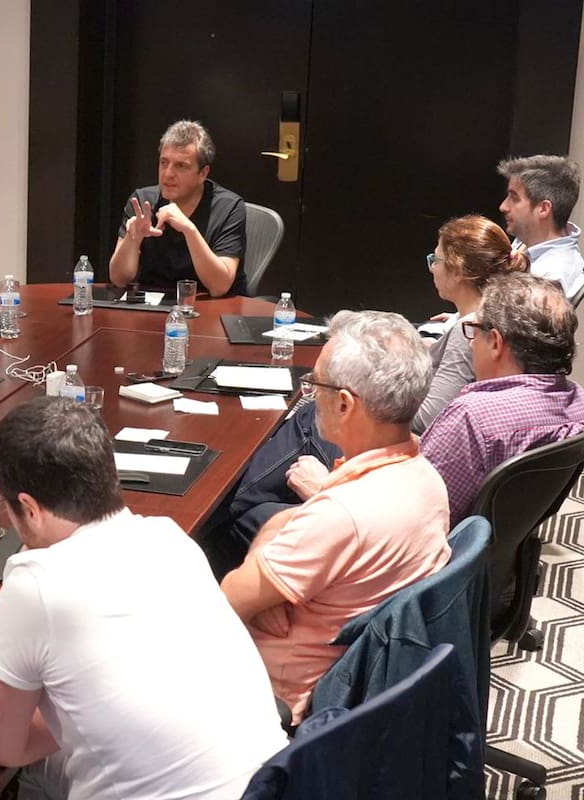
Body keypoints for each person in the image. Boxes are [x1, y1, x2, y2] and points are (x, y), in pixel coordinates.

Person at [0, 396, 287, 800]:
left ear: (29, 508)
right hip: (273, 786)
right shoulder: (169, 538)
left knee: (21, 776)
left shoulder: (38, 585)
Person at [225, 215, 527, 545]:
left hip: (397, 450)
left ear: (458, 271)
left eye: (436, 260)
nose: (431, 268)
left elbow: (426, 416)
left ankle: (231, 504)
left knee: (310, 417)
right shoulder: (481, 318)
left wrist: (376, 395)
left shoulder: (467, 331)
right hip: (407, 467)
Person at [221, 310, 451, 723]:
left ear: (344, 403)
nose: (310, 394)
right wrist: (270, 565)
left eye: (316, 384)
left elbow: (228, 603)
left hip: (272, 692)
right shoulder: (428, 479)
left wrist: (259, 576)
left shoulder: (339, 515)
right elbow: (285, 526)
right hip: (356, 678)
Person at [423, 273, 584, 524]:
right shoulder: (579, 401)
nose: (470, 345)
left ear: (496, 342)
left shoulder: (470, 418)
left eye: (473, 331)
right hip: (510, 532)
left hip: (445, 542)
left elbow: (422, 513)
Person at [109, 119, 247, 296]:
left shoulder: (229, 207)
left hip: (213, 305)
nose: (168, 174)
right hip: (154, 303)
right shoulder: (142, 203)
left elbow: (219, 287)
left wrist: (189, 229)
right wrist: (132, 239)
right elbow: (118, 279)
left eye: (181, 166)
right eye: (164, 163)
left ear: (203, 173)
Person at [498, 155, 584, 297]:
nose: (503, 206)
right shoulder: (529, 239)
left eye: (514, 197)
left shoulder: (550, 277)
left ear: (543, 209)